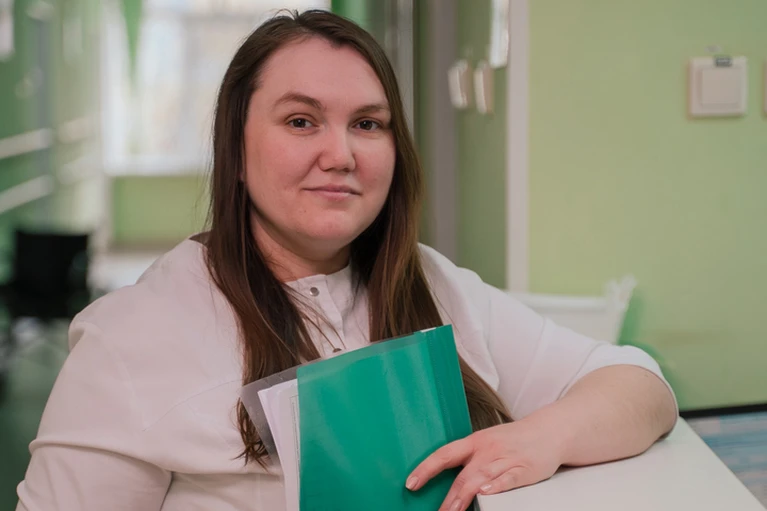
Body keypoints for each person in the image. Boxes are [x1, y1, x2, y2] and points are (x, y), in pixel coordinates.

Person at [16, 9, 677, 511]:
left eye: (368, 123)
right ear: (236, 150)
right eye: (301, 121)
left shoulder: (431, 282)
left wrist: (541, 438)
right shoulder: (130, 337)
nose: (341, 155)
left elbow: (641, 386)